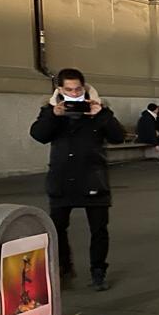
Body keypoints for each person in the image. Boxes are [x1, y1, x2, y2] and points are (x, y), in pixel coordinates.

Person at [30, 67, 125, 291]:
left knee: (99, 229)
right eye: (69, 90)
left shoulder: (99, 109)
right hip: (62, 179)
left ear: (84, 87)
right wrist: (53, 115)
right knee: (57, 228)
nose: (74, 94)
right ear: (60, 89)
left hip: (93, 178)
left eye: (78, 89)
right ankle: (64, 266)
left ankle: (98, 271)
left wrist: (101, 114)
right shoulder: (51, 110)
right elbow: (38, 135)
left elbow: (118, 136)